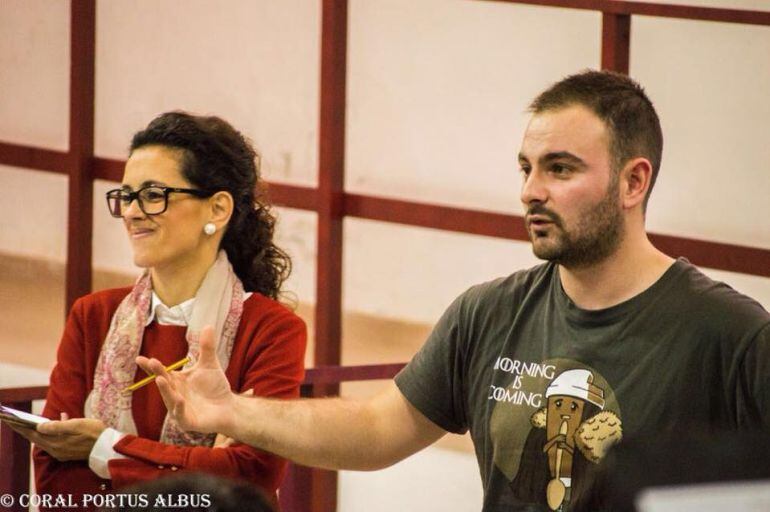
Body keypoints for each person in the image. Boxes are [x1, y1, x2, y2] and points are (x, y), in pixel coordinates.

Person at [137, 71, 770, 512]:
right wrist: (230, 412)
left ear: (634, 183)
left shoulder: (732, 336)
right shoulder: (488, 312)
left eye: (560, 168)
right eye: (526, 168)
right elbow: (380, 428)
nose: (530, 191)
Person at [9, 112, 306, 510]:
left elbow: (248, 480)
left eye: (153, 195)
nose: (131, 212)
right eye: (126, 196)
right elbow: (53, 477)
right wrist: (201, 464)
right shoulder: (92, 315)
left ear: (217, 210)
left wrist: (102, 448)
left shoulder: (272, 329)